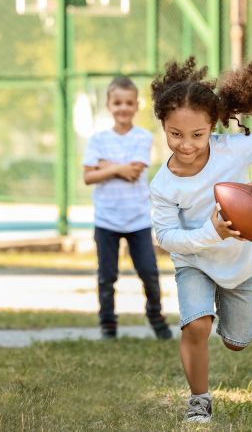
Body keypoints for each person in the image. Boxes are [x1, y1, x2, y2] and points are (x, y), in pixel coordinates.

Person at [149, 57, 252, 423]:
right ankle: (199, 399)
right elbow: (167, 237)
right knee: (196, 325)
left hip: (237, 264)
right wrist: (210, 233)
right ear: (163, 127)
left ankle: (227, 319)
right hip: (194, 261)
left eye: (197, 135)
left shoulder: (232, 149)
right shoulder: (162, 185)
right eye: (175, 134)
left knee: (237, 342)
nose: (186, 144)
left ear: (212, 126)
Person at [82, 76, 172, 340]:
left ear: (136, 105)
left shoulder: (143, 137)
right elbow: (88, 176)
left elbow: (134, 172)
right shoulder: (98, 139)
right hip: (106, 220)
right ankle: (108, 325)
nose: (123, 108)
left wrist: (105, 166)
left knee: (149, 274)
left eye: (128, 103)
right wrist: (117, 168)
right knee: (106, 277)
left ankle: (156, 318)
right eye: (117, 102)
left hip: (138, 220)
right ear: (109, 105)